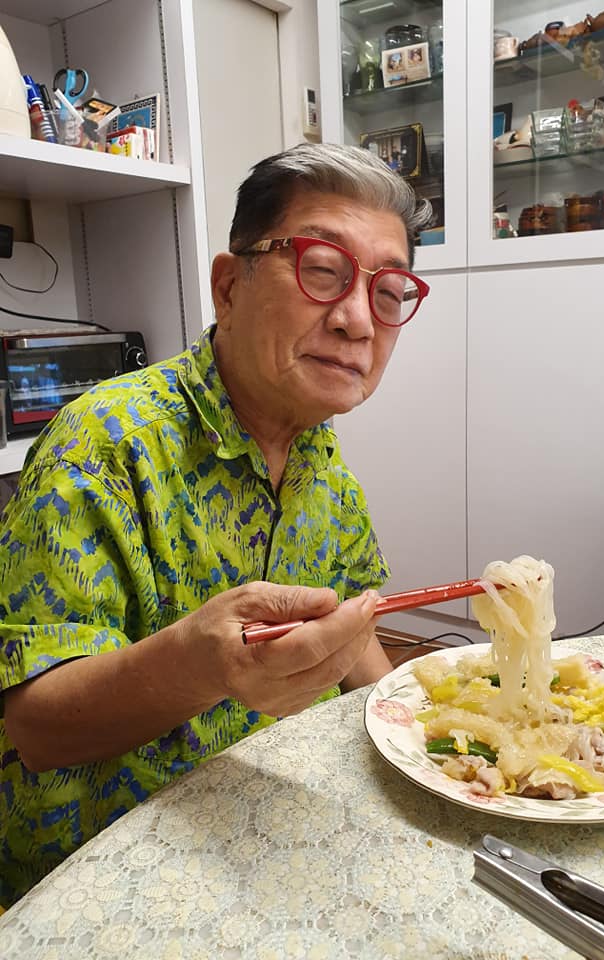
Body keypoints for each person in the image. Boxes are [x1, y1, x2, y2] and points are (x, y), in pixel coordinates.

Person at [0, 141, 433, 907]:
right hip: (107, 873)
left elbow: (355, 620)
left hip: (268, 827)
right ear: (229, 286)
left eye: (390, 290)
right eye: (323, 270)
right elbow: (36, 728)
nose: (358, 320)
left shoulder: (321, 456)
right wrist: (199, 668)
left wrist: (430, 743)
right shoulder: (101, 446)